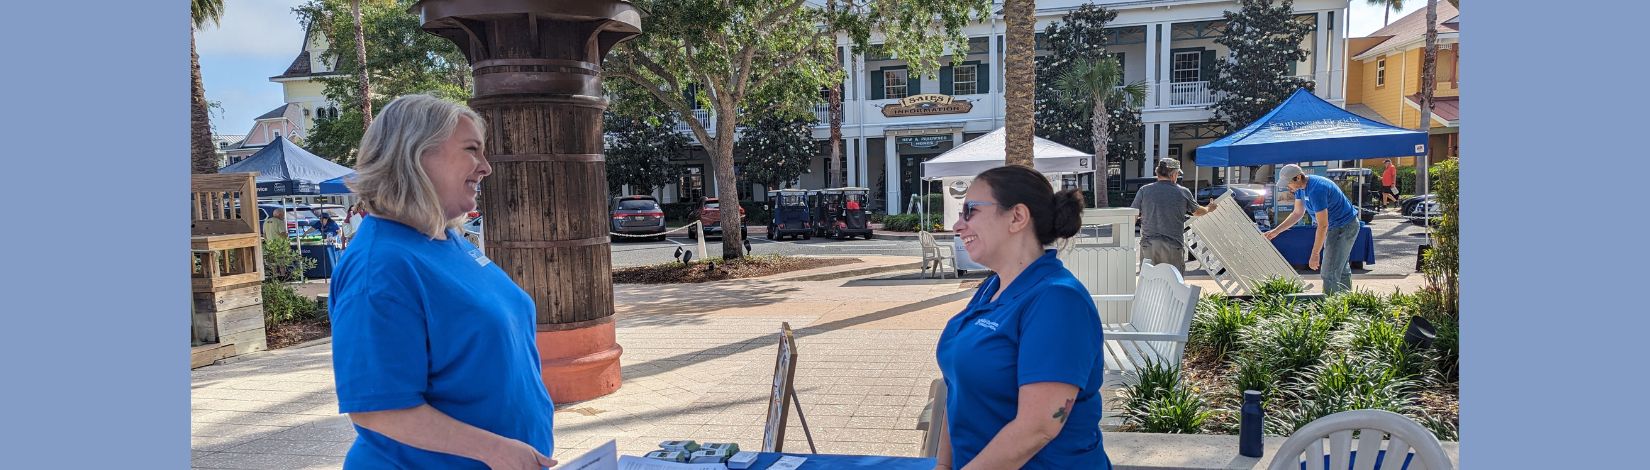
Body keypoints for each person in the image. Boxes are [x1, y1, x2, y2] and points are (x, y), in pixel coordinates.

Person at [328, 94, 557, 469]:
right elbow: (378, 409)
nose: (486, 167)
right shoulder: (381, 266)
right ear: (416, 155)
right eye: (472, 150)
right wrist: (496, 450)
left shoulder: (446, 239)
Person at [937, 165, 1110, 470]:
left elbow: (1037, 428)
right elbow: (958, 388)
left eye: (970, 211)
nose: (957, 225)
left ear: (1017, 217)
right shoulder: (993, 287)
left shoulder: (1058, 301)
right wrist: (942, 465)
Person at [1265, 164, 1360, 295]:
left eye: (1288, 184)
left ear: (1298, 177)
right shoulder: (1300, 188)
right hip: (1337, 226)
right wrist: (1275, 231)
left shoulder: (1317, 189)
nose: (1288, 187)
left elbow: (1323, 225)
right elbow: (1297, 213)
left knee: (1329, 272)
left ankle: (1331, 306)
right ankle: (1345, 302)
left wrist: (1315, 254)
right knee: (1340, 267)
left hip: (1344, 226)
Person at [1130, 158, 1216, 274]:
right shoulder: (1182, 192)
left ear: (1158, 172)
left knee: (1149, 284)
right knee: (1174, 285)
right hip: (1173, 245)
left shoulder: (1144, 190)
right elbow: (1197, 212)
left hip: (1149, 245)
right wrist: (1209, 208)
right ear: (1173, 174)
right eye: (1177, 174)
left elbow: (1133, 214)